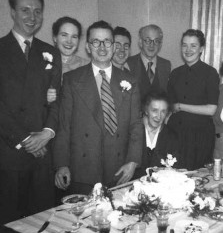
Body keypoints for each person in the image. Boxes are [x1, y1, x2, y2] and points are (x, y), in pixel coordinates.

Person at [53, 20, 143, 195]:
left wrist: (132, 162)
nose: (102, 47)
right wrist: (61, 164)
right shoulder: (72, 80)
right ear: (88, 47)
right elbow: (64, 126)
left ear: (114, 46)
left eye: (107, 41)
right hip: (82, 171)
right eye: (96, 41)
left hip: (119, 170)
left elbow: (136, 125)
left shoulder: (130, 81)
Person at [0, 0, 61, 224]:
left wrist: (47, 133)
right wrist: (26, 140)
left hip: (42, 154)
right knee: (10, 221)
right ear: (13, 12)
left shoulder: (50, 52)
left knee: (42, 220)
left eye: (37, 11)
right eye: (25, 10)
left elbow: (57, 100)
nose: (32, 16)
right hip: (9, 151)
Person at [167, 29, 219, 170]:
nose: (188, 49)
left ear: (201, 48)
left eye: (193, 45)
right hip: (175, 133)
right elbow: (170, 106)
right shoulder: (175, 73)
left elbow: (211, 109)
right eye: (184, 45)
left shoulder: (210, 73)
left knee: (198, 176)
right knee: (174, 174)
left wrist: (181, 106)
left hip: (200, 135)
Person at [134, 91, 179, 178]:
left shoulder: (171, 136)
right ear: (146, 110)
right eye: (154, 110)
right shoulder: (133, 132)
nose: (159, 116)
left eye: (163, 111)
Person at [47, 16, 90, 103]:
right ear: (55, 38)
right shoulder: (42, 65)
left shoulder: (87, 66)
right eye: (64, 35)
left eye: (74, 36)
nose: (69, 41)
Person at [127, 24, 171, 102]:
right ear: (140, 42)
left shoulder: (166, 65)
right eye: (147, 40)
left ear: (160, 45)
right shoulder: (129, 64)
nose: (152, 45)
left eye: (156, 41)